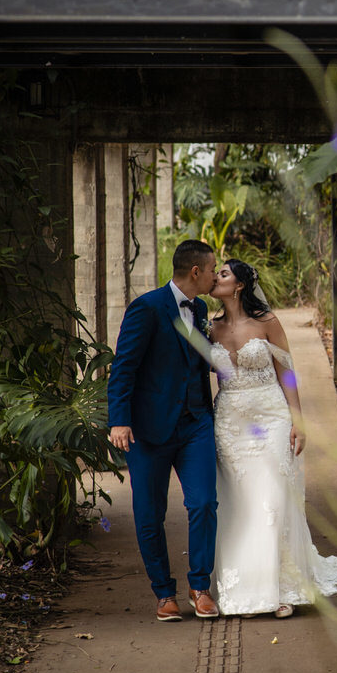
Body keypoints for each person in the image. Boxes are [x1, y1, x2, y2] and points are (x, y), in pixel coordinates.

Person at [207, 258, 337, 617]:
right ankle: (246, 586)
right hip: (231, 423)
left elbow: (286, 371)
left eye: (223, 273)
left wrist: (297, 420)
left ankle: (283, 587)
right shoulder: (209, 327)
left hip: (271, 416)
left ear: (240, 284)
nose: (215, 277)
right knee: (240, 503)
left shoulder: (267, 323)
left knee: (272, 498)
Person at [107, 239, 221, 622]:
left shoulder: (201, 308)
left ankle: (200, 587)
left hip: (195, 424)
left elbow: (200, 360)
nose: (214, 275)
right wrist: (119, 419)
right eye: (212, 269)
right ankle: (164, 593)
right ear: (195, 272)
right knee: (148, 513)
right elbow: (124, 367)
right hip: (149, 429)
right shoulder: (147, 308)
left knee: (204, 502)